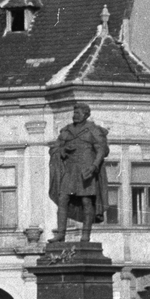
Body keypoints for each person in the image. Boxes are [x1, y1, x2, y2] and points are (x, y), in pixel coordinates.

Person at [48, 102, 109, 243]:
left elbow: (101, 150)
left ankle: (85, 236)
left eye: (78, 113)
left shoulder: (93, 130)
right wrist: (63, 150)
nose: (75, 115)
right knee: (63, 199)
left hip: (86, 170)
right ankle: (60, 234)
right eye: (74, 113)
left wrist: (94, 166)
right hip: (69, 170)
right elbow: (54, 149)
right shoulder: (66, 131)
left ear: (86, 115)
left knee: (86, 201)